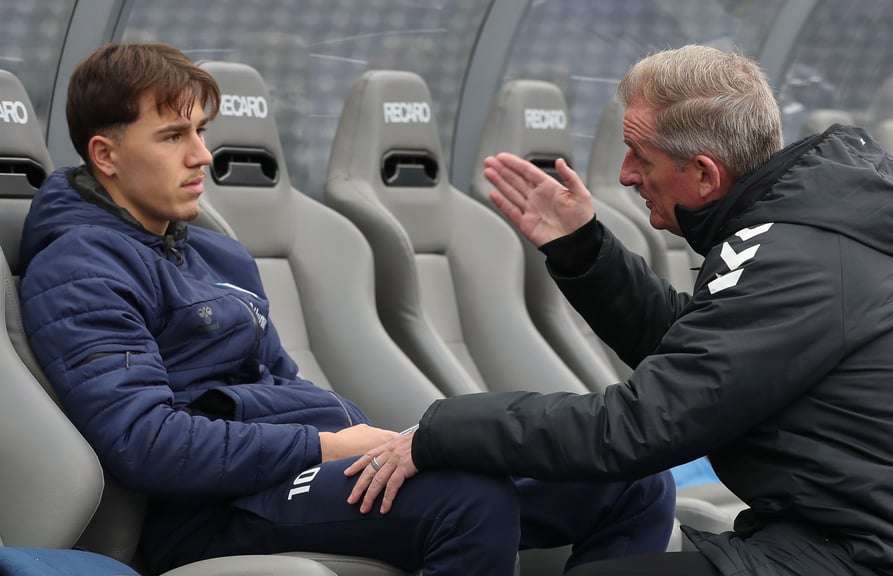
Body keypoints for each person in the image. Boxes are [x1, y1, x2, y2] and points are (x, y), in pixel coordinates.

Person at [348, 44, 893, 575]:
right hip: (871, 545)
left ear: (703, 173)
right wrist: (583, 250)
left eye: (640, 155)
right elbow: (704, 353)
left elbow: (636, 428)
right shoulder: (808, 233)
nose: (624, 175)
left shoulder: (794, 257)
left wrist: (441, 429)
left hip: (882, 560)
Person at [18, 42, 677, 575]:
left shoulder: (217, 255)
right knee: (467, 499)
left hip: (305, 467)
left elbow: (281, 381)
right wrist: (328, 444)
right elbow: (144, 443)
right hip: (214, 511)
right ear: (105, 155)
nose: (202, 155)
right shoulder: (80, 268)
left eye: (200, 131)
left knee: (630, 482)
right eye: (171, 137)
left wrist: (372, 444)